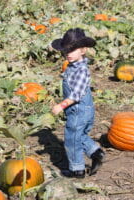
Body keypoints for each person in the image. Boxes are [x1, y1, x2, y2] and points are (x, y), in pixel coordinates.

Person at [51, 28, 105, 178]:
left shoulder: (82, 71)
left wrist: (60, 106)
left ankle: (77, 169)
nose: (68, 53)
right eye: (65, 50)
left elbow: (76, 95)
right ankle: (96, 152)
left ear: (83, 50)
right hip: (79, 110)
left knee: (71, 140)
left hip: (79, 110)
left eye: (72, 50)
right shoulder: (71, 66)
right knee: (78, 136)